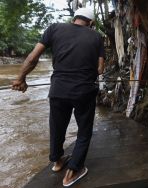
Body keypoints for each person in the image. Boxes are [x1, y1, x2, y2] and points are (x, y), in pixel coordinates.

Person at [11, 8, 105, 187]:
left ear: (74, 19)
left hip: (58, 90)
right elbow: (100, 69)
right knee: (84, 131)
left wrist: (20, 79)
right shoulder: (96, 37)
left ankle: (57, 161)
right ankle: (73, 171)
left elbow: (32, 58)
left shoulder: (54, 28)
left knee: (57, 127)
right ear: (91, 23)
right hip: (84, 91)